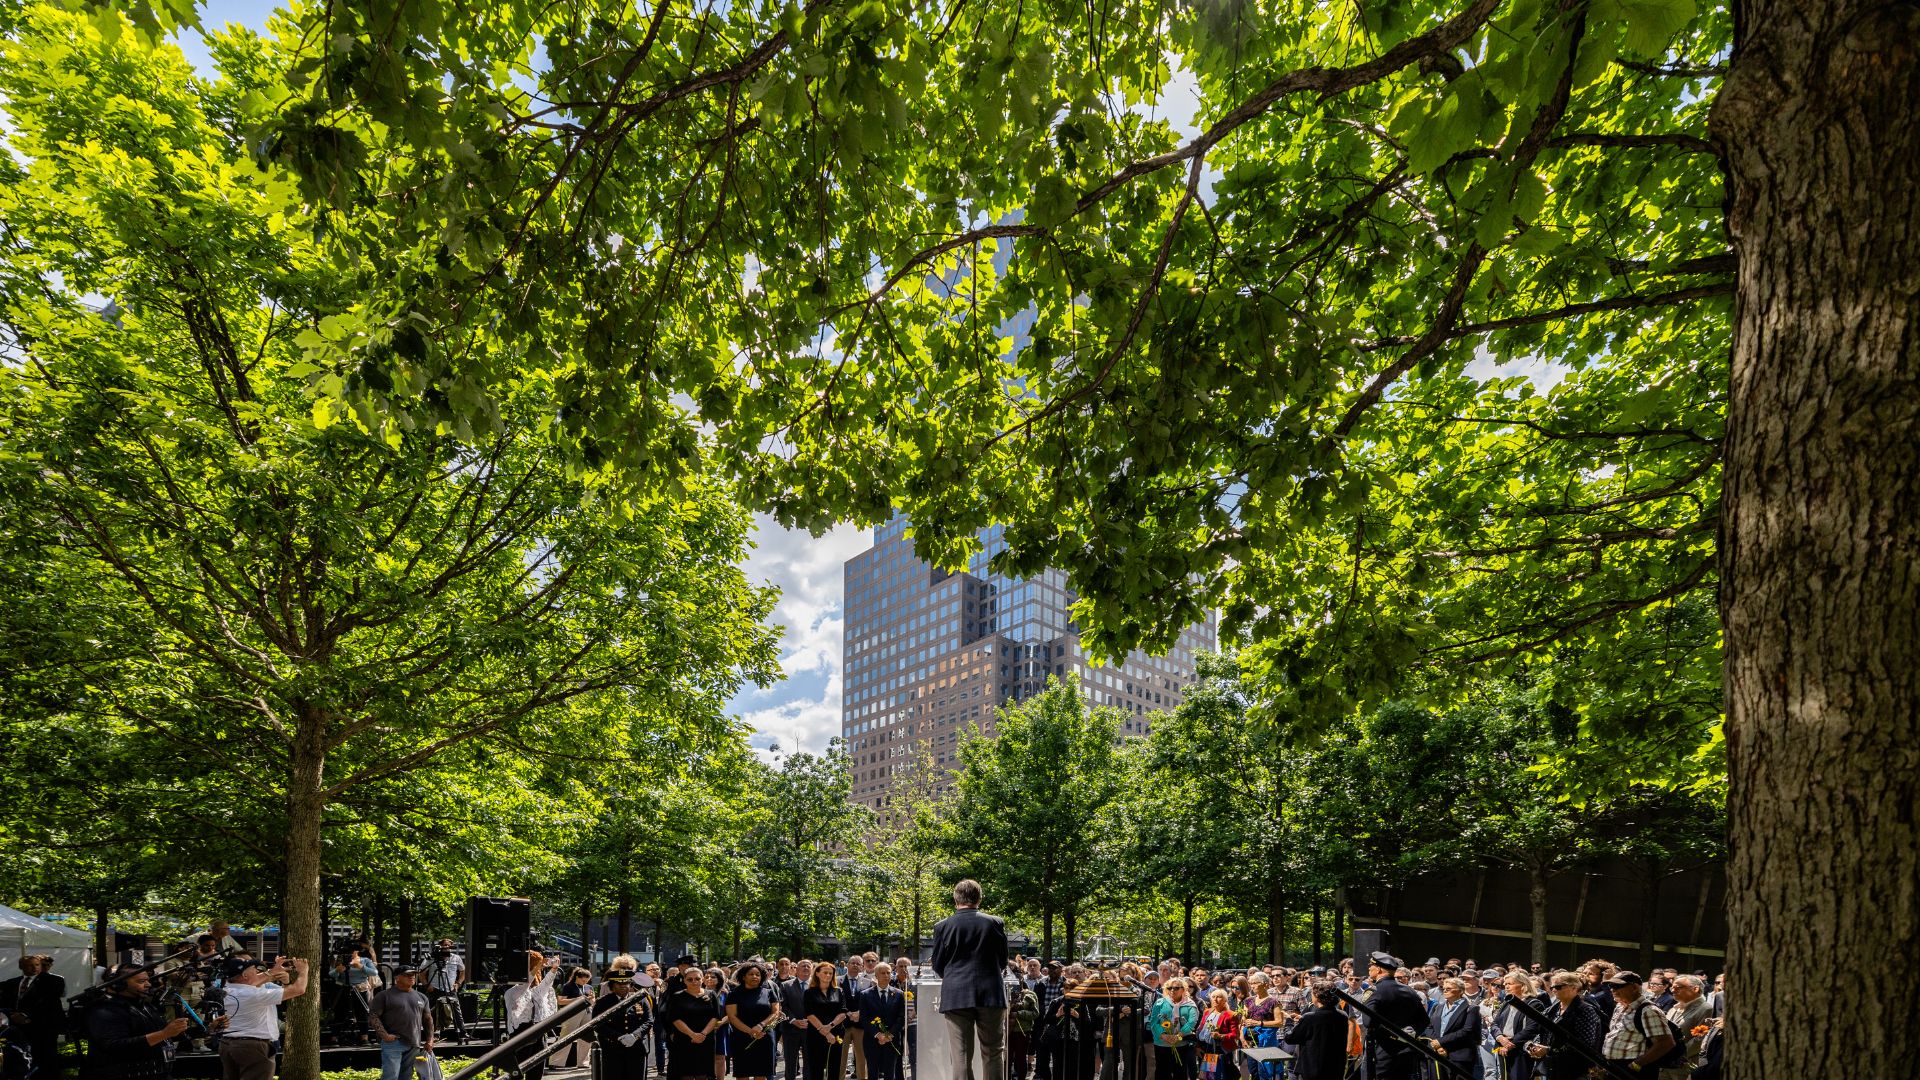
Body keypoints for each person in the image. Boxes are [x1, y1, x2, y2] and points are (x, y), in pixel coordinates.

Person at [928, 880, 1008, 1080]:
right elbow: (1003, 960)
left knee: (961, 1055)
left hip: (956, 994)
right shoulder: (995, 922)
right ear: (979, 898)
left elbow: (938, 964)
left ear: (956, 899)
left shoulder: (942, 926)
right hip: (991, 993)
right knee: (994, 1052)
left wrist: (955, 978)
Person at [81, 966, 190, 1080]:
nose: (149, 985)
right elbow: (115, 1046)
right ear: (119, 984)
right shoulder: (103, 1009)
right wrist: (164, 1034)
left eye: (148, 980)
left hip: (158, 1074)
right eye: (141, 981)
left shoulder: (144, 1005)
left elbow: (159, 1034)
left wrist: (177, 1031)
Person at [220, 956, 310, 1080]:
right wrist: (303, 971)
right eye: (253, 968)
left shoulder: (228, 988)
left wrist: (273, 971)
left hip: (228, 1044)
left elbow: (250, 982)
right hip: (252, 1048)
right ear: (245, 975)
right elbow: (298, 990)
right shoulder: (254, 994)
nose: (257, 971)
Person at [1361, 952, 1429, 1080]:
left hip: (1382, 1050)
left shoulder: (1373, 991)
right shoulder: (1409, 990)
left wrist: (1392, 1035)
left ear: (1379, 969)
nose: (1369, 968)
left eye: (1371, 965)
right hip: (1406, 1050)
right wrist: (1411, 1033)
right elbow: (1424, 1020)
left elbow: (1368, 1022)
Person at [1523, 971, 1601, 1080]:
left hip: (1574, 1070)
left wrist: (1548, 1050)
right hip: (1549, 1068)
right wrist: (1531, 1045)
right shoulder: (1551, 1010)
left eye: (1559, 987)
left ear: (1574, 988)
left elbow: (1584, 1044)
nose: (1554, 990)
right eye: (1552, 987)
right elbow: (1539, 1032)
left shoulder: (1585, 1010)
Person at [1, 955, 66, 1080]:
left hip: (44, 1027)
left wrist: (26, 1015)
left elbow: (48, 1001)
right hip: (19, 1029)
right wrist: (12, 1015)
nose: (34, 968)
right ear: (21, 967)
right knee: (23, 1057)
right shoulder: (11, 983)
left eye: (37, 965)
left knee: (46, 1059)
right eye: (30, 965)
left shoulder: (53, 981)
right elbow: (6, 1002)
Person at [1599, 972, 1673, 1075]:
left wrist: (1636, 1064)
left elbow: (1665, 1043)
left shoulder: (1648, 1010)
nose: (1612, 989)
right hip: (1614, 1066)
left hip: (1631, 1069)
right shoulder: (1620, 1006)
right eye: (1611, 986)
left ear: (1634, 987)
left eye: (1617, 986)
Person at [368, 967, 435, 1080]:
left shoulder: (422, 997)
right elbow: (373, 1016)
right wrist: (385, 1036)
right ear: (397, 978)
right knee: (391, 1076)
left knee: (406, 1077)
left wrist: (430, 1040)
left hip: (414, 1044)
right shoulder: (384, 995)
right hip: (393, 1043)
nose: (412, 977)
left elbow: (428, 1019)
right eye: (407, 975)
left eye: (413, 974)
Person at [504, 953, 561, 1080]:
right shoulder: (512, 991)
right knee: (518, 1069)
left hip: (538, 1030)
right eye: (538, 966)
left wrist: (554, 969)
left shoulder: (535, 991)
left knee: (537, 1068)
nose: (540, 969)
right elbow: (524, 986)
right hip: (521, 1032)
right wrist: (536, 967)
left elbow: (546, 984)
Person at [595, 967, 655, 1080]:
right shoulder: (603, 1002)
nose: (623, 986)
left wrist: (635, 1035)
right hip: (613, 1049)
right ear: (612, 985)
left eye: (626, 983)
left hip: (637, 1048)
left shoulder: (640, 999)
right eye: (618, 983)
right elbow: (598, 1024)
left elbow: (648, 1020)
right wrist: (618, 1037)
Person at [1279, 983, 1346, 1080]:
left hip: (1312, 1067)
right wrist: (1303, 1020)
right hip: (1335, 1067)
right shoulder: (1342, 1016)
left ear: (1317, 996)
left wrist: (1289, 1022)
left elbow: (1290, 1038)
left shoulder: (1310, 1017)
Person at [851, 963, 906, 1080]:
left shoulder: (899, 994)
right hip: (872, 1040)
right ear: (876, 975)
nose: (886, 975)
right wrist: (878, 1034)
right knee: (872, 1072)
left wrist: (889, 1034)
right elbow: (864, 1018)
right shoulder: (865, 995)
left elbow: (901, 1017)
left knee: (890, 1073)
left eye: (888, 972)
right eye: (883, 973)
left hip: (892, 1040)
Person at [727, 964, 779, 1080]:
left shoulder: (769, 992)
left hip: (764, 1036)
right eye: (751, 974)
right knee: (742, 1073)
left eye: (757, 974)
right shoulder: (734, 994)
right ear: (743, 976)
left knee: (761, 1073)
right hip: (742, 1037)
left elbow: (775, 1012)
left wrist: (760, 1025)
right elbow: (732, 1017)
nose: (754, 977)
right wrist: (750, 1031)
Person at [800, 964, 849, 1080]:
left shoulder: (839, 991)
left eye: (830, 973)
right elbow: (809, 1014)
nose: (828, 975)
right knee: (816, 1068)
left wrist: (830, 1026)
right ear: (817, 973)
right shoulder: (809, 992)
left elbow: (843, 1013)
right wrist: (825, 1032)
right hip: (816, 1034)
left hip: (836, 1034)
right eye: (825, 972)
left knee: (834, 1067)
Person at [1660, 976, 1712, 1080]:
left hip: (1684, 1065)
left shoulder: (1705, 1008)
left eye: (1678, 987)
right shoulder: (1674, 1008)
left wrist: (1677, 1054)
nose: (1673, 990)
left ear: (1695, 989)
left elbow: (1700, 1039)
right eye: (1672, 988)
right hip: (1665, 1063)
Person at [1426, 978, 1481, 1076]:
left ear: (1460, 991)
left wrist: (1440, 1042)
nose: (1445, 990)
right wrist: (1438, 1045)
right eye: (1444, 988)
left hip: (1459, 1055)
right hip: (1437, 1053)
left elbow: (1466, 1031)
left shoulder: (1471, 1008)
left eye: (1449, 988)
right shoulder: (1438, 1007)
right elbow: (1430, 1027)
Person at [1146, 978, 1198, 1080]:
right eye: (1169, 988)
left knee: (1180, 1072)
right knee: (1162, 1072)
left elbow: (1192, 1022)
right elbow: (1153, 1022)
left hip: (1181, 1043)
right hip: (1161, 1043)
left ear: (1183, 989)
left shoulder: (1190, 1004)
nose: (1172, 990)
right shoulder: (1160, 1002)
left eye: (1176, 988)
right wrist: (1163, 1035)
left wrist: (1179, 1035)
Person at [778, 962, 811, 1080]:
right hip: (790, 1029)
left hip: (811, 1029)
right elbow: (783, 1006)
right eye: (803, 966)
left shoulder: (816, 985)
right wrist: (793, 1020)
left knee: (810, 1062)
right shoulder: (786, 985)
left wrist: (811, 1021)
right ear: (796, 969)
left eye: (808, 966)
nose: (806, 968)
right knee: (790, 1062)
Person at [1197, 990, 1238, 1080]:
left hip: (1220, 1050)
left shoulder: (1230, 1015)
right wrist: (1197, 1046)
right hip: (1205, 1048)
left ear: (1225, 1001)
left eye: (1219, 997)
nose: (1215, 999)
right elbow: (1200, 1029)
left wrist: (1220, 1036)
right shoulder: (1207, 1012)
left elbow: (1235, 1034)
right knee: (1208, 1076)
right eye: (1213, 997)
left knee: (1220, 1076)